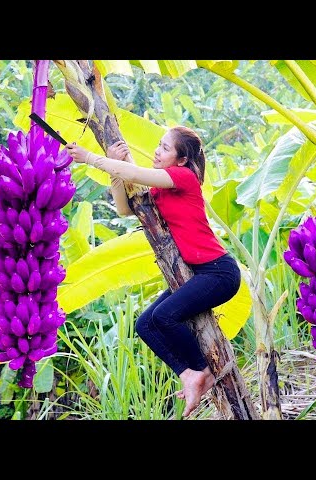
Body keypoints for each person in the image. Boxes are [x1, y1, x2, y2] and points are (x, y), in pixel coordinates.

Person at [65, 126, 241, 417]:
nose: (157, 151)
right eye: (158, 145)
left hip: (218, 273)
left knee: (164, 316)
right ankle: (190, 375)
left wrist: (90, 158)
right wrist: (113, 168)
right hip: (197, 274)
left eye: (165, 148)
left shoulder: (184, 178)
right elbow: (124, 208)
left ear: (181, 160)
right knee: (145, 324)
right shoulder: (161, 188)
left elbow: (133, 175)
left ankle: (204, 370)